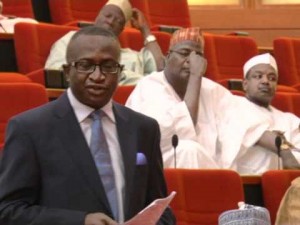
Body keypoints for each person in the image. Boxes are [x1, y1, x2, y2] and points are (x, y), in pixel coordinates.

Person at [0, 26, 175, 225]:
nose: (98, 76)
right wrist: (79, 221)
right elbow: (8, 211)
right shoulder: (30, 129)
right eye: (85, 65)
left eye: (108, 66)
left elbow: (160, 210)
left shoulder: (144, 128)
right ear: (67, 72)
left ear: (119, 72)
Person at [126, 27, 236, 169]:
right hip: (155, 166)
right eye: (185, 53)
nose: (192, 60)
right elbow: (180, 130)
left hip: (211, 171)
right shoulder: (149, 86)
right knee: (188, 150)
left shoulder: (214, 91)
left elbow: (240, 129)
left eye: (198, 56)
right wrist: (196, 76)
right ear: (168, 56)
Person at [45, 0, 165, 86]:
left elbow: (161, 70)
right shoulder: (73, 39)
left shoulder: (134, 56)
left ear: (121, 29)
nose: (111, 21)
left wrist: (145, 29)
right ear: (97, 16)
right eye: (107, 15)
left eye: (118, 21)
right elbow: (55, 73)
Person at [221, 53, 300, 174]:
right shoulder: (233, 104)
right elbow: (254, 131)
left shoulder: (289, 119)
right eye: (258, 76)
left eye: (272, 78)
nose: (266, 81)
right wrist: (285, 152)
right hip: (247, 182)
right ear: (245, 84)